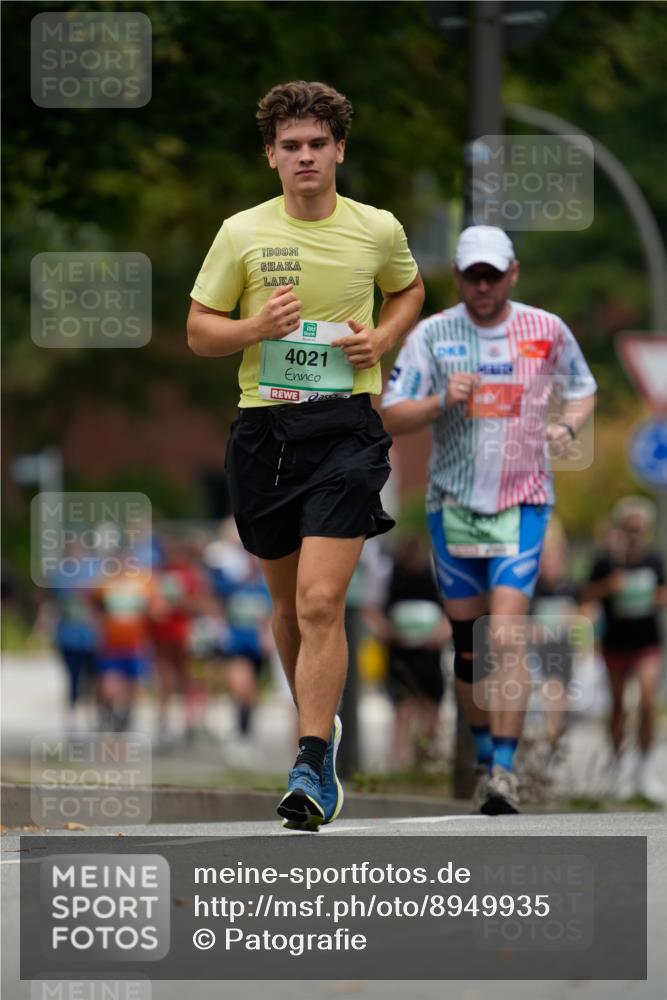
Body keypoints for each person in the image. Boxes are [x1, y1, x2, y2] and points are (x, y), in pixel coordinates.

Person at [187, 81, 424, 830]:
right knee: (286, 609)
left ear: (338, 150)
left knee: (323, 602)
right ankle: (318, 734)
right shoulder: (240, 234)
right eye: (290, 146)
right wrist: (254, 327)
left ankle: (312, 757)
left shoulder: (376, 229)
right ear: (271, 157)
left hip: (346, 429)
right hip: (265, 432)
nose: (304, 157)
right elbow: (199, 331)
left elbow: (409, 291)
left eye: (317, 144)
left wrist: (383, 339)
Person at [382, 225, 596, 814]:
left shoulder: (545, 330)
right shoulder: (433, 335)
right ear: (458, 278)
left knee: (504, 636)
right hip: (453, 506)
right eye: (472, 275)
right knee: (469, 649)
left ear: (513, 274)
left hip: (521, 501)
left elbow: (582, 389)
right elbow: (392, 415)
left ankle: (504, 771)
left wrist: (568, 426)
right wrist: (439, 400)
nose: (483, 285)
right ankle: (484, 754)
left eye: (492, 275)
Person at [583, 496, 666, 802]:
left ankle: (645, 769)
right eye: (629, 527)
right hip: (615, 643)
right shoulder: (605, 560)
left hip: (647, 642)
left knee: (646, 702)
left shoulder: (655, 560)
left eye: (639, 528)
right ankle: (617, 766)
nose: (634, 534)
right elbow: (584, 594)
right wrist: (608, 586)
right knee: (617, 704)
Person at [363, 533, 451, 768]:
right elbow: (371, 611)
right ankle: (401, 763)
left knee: (432, 708)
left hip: (430, 653)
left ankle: (425, 759)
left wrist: (440, 633)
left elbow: (452, 611)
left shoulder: (434, 571)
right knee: (403, 709)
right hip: (400, 653)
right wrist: (389, 632)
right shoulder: (387, 572)